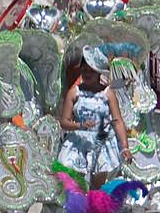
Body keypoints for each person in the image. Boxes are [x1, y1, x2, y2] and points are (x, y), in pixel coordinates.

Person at [55, 45, 130, 192]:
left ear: (98, 73)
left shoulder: (108, 93)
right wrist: (80, 125)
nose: (87, 74)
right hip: (77, 143)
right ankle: (78, 211)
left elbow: (118, 121)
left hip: (101, 144)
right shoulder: (74, 93)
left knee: (97, 188)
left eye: (91, 71)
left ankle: (94, 212)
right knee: (76, 186)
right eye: (84, 70)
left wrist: (125, 146)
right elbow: (64, 122)